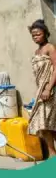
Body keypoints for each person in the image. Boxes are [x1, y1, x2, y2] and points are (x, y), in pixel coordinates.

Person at [28, 19, 56, 157]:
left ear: (45, 33)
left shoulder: (50, 48)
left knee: (50, 123)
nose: (35, 37)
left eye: (38, 34)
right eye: (33, 35)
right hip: (41, 92)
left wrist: (48, 88)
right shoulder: (36, 51)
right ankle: (52, 156)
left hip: (50, 91)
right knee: (43, 126)